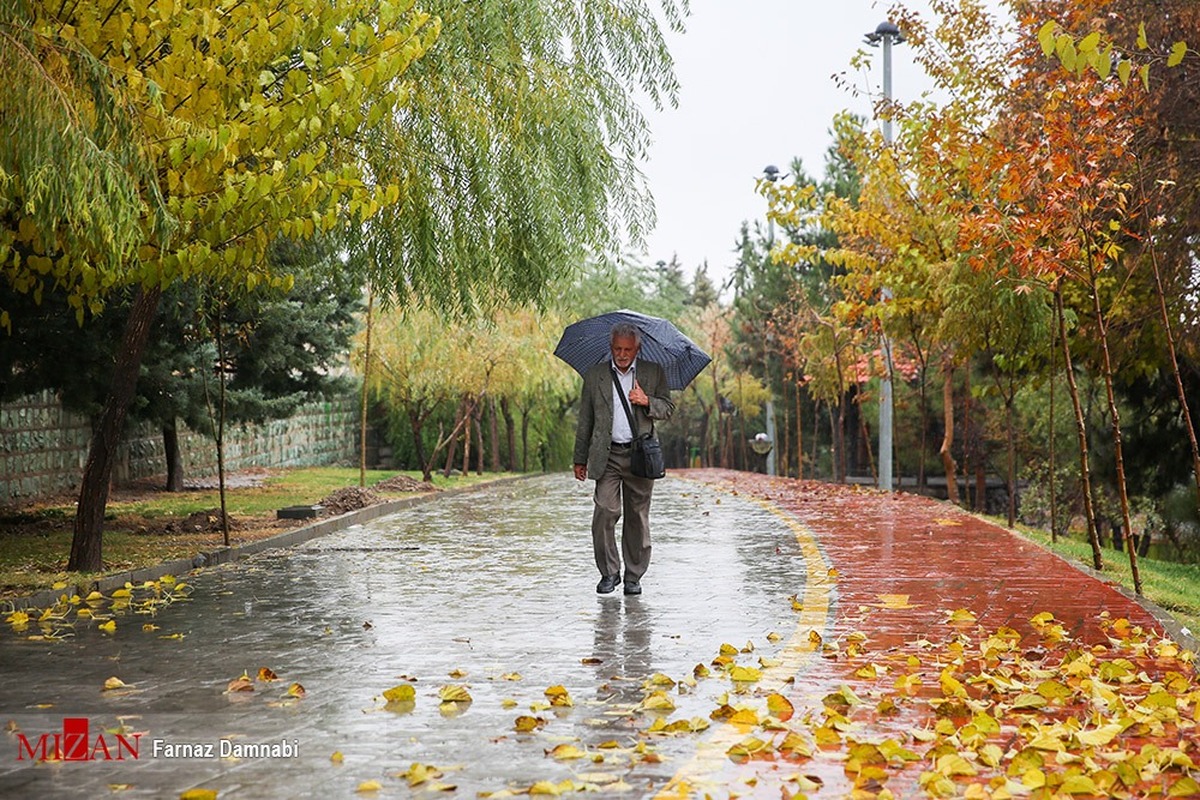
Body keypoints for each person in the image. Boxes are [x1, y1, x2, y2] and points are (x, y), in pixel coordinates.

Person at [573, 323, 675, 595]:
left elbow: (668, 408)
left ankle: (634, 576)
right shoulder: (595, 376)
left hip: (640, 455)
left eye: (627, 349)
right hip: (606, 456)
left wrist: (646, 401)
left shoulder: (653, 373)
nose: (622, 354)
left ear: (637, 349)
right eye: (617, 348)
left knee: (637, 518)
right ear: (611, 347)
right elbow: (586, 419)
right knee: (605, 510)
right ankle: (609, 573)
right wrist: (579, 458)